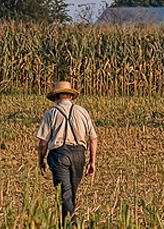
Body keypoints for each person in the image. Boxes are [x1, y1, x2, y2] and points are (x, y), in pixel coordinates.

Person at [36, 81, 98, 225]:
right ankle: (67, 223)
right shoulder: (82, 112)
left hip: (59, 156)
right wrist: (92, 161)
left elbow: (43, 143)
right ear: (70, 96)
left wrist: (41, 160)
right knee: (71, 193)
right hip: (79, 155)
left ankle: (71, 225)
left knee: (65, 194)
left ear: (56, 97)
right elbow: (93, 139)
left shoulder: (51, 113)